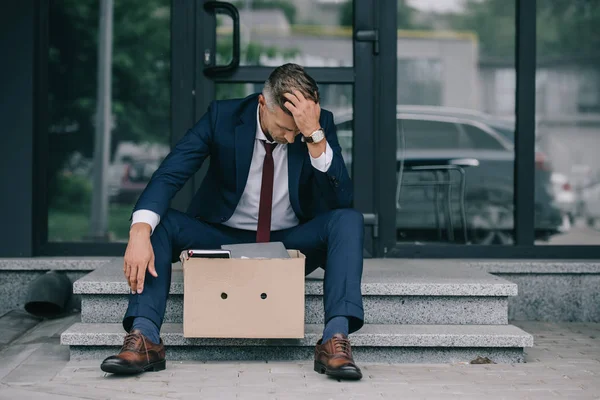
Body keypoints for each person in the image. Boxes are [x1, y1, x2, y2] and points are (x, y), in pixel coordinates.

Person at [100, 63, 365, 380]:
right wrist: (139, 232)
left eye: (299, 129)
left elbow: (341, 200)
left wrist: (315, 137)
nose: (291, 137)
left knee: (349, 220)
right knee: (159, 223)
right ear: (262, 104)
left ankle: (334, 340)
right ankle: (144, 337)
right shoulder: (222, 117)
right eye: (285, 127)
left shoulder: (316, 128)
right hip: (222, 239)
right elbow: (170, 173)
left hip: (290, 242)